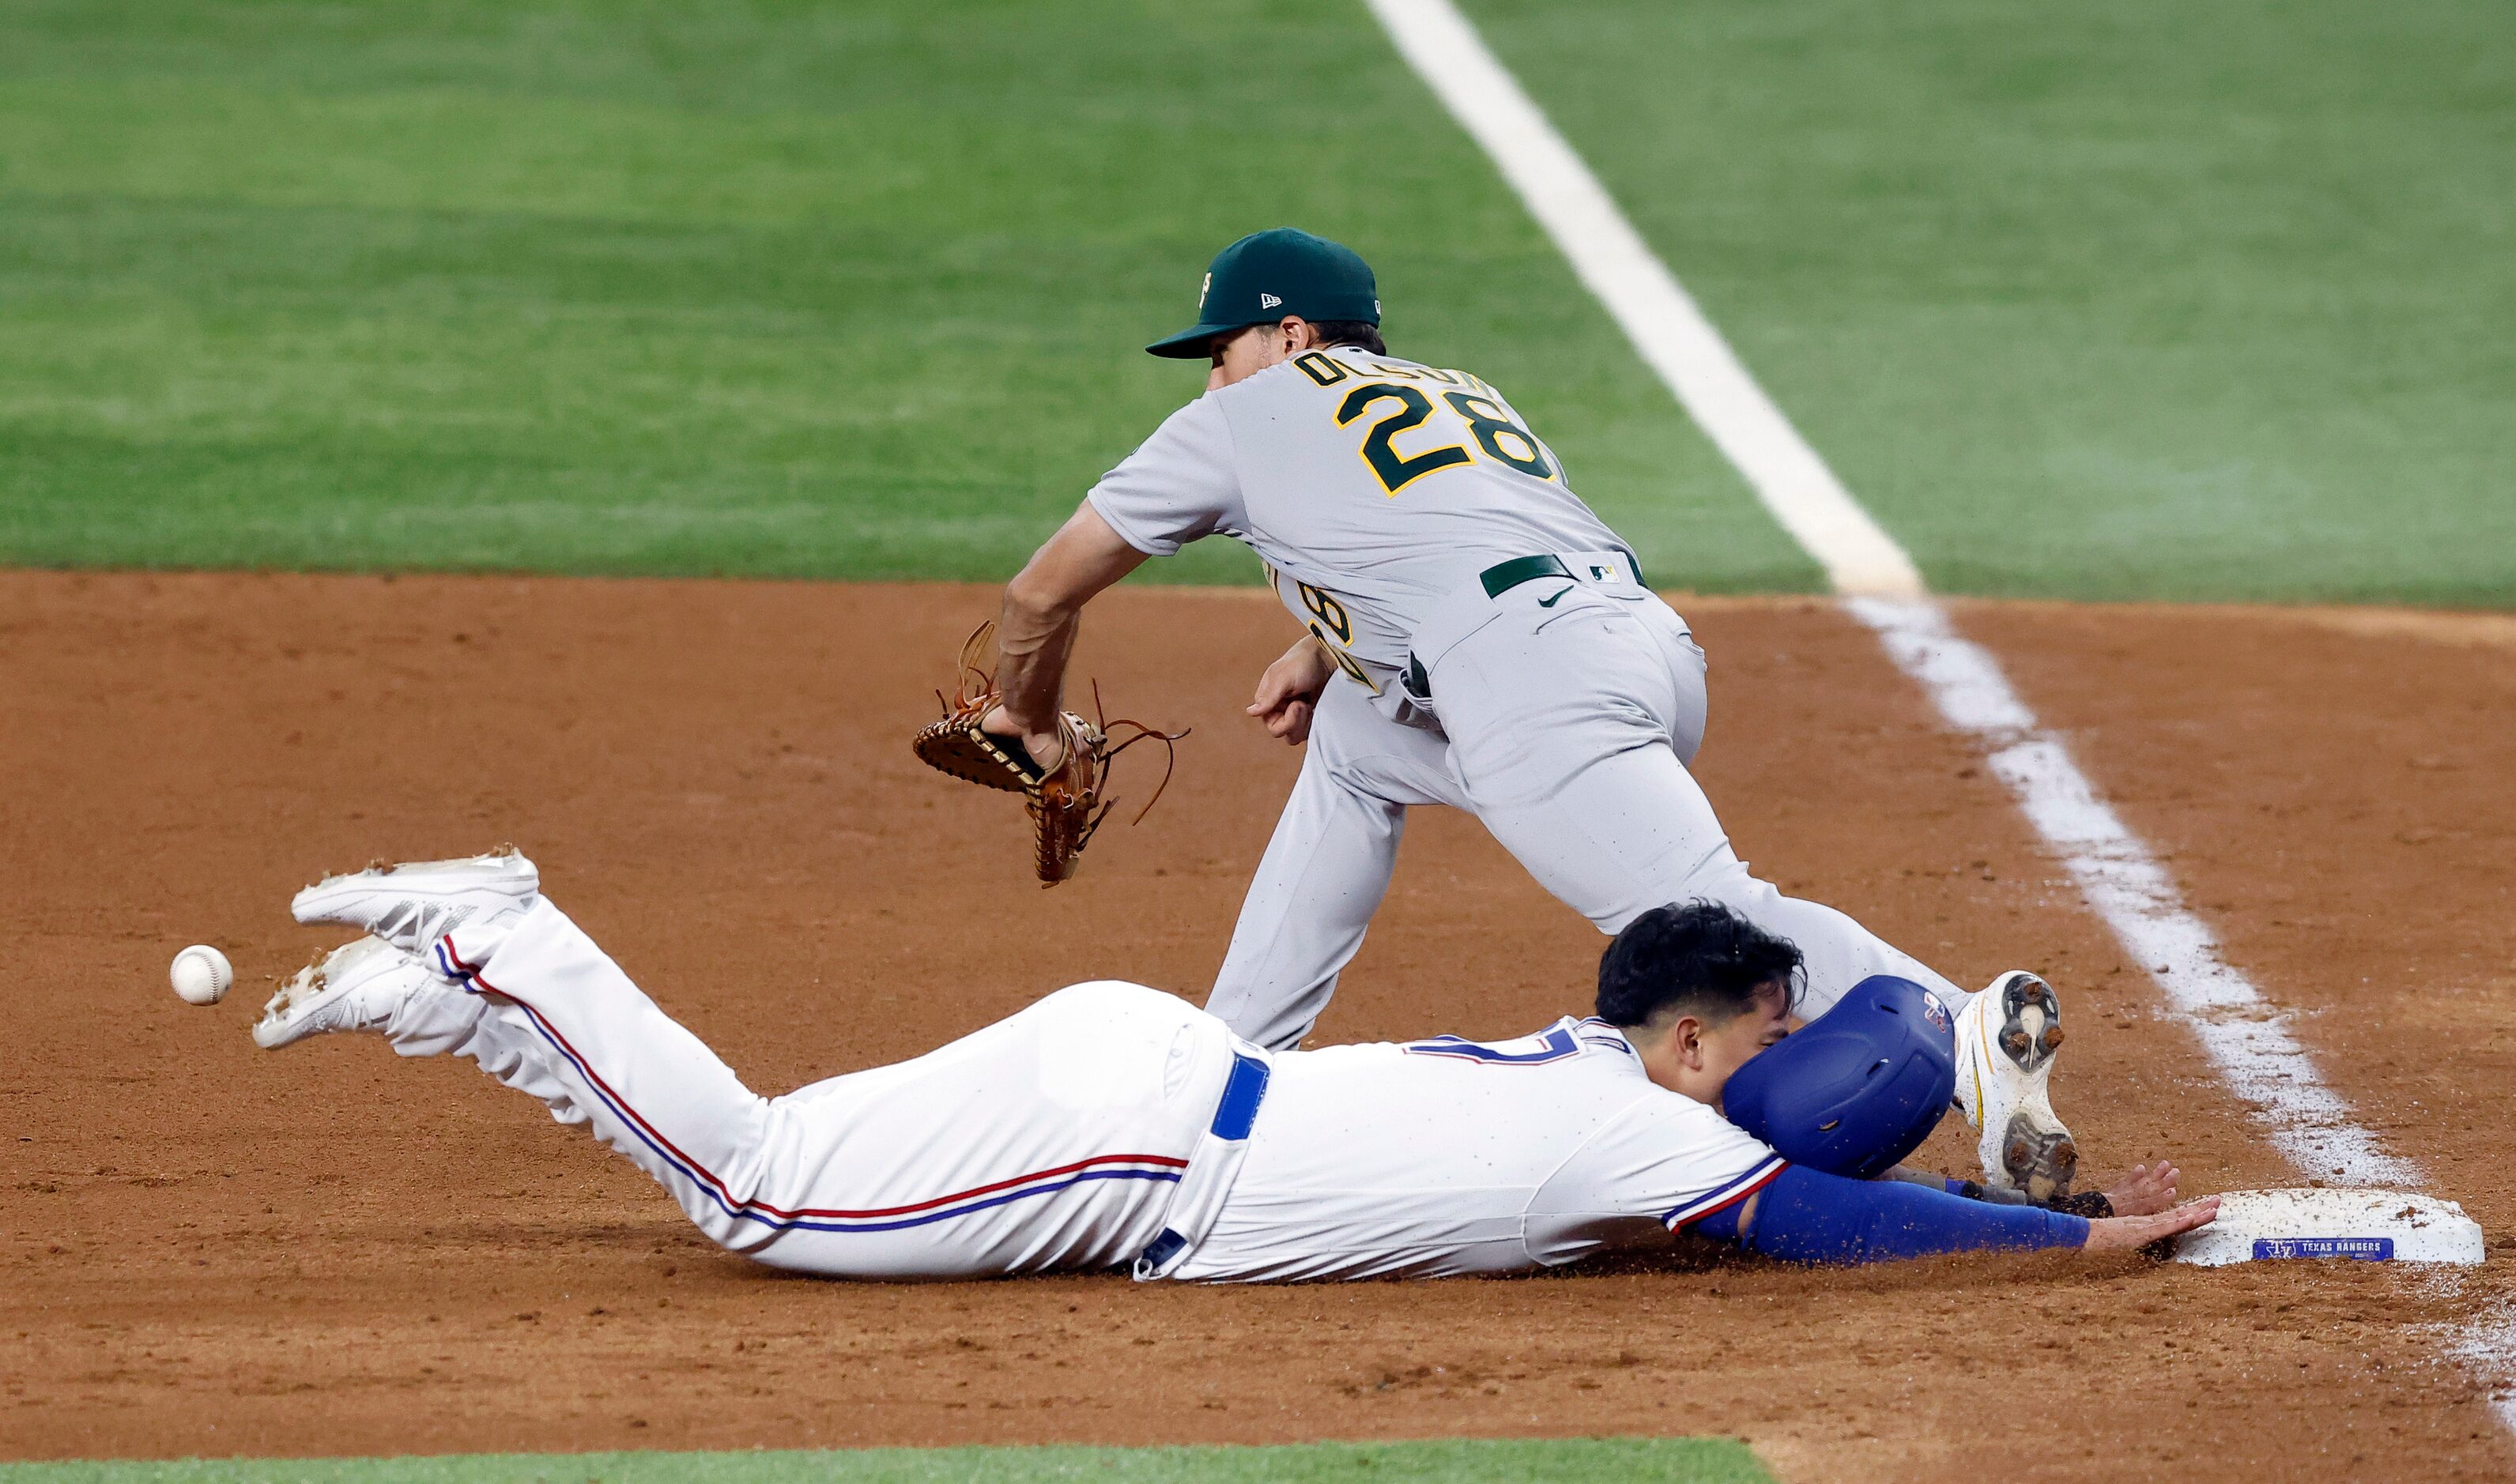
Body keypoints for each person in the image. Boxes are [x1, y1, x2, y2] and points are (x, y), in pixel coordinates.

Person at [962, 226, 2075, 1197]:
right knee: (1356, 746)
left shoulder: (1242, 418)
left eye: (1221, 350)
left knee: (1710, 919)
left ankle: (1970, 1030)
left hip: (1533, 687)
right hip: (1638, 648)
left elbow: (1039, 593)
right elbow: (1462, 527)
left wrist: (1035, 721)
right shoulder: (1454, 387)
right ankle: (1236, 1062)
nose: (1211, 379)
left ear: (1291, 336)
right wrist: (1321, 647)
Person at [251, 849, 2211, 1282]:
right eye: (1769, 1029)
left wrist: (2008, 1185)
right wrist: (2067, 1248)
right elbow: (1826, 1221)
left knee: (760, 1154)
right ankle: (505, 939)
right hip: (1124, 1140)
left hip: (1138, 1061)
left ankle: (444, 990)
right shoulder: (1632, 1134)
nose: (1780, 1052)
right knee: (756, 1195)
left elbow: (1807, 1190)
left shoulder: (1587, 1071)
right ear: (1686, 1040)